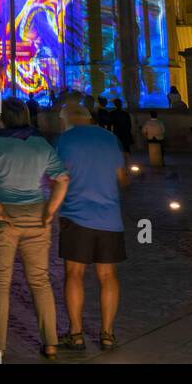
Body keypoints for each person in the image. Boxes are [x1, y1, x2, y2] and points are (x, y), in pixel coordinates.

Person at [0, 96, 69, 362]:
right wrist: (51, 210)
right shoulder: (40, 144)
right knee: (40, 281)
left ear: (2, 117)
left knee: (0, 283)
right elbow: (62, 178)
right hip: (37, 214)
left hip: (3, 216)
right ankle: (50, 343)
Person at [54, 103, 129, 352]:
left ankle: (76, 334)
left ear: (65, 120)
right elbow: (122, 178)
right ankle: (107, 333)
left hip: (76, 216)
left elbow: (55, 178)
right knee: (108, 276)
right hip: (109, 217)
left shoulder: (64, 140)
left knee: (74, 275)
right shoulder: (110, 138)